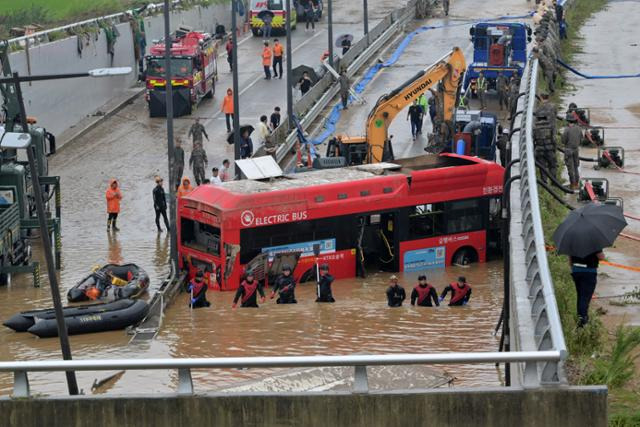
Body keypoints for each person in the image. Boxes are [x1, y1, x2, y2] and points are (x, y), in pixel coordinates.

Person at [570, 250, 605, 327]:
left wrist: (572, 268)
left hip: (576, 271)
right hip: (589, 272)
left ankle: (580, 319)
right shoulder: (594, 240)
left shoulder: (572, 239)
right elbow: (601, 257)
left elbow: (570, 259)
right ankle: (583, 322)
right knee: (585, 298)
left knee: (580, 297)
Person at [534, 93, 558, 183]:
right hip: (550, 149)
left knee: (542, 166)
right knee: (553, 165)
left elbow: (533, 140)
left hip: (540, 150)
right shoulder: (550, 127)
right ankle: (554, 181)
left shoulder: (535, 128)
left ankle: (544, 182)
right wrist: (554, 148)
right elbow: (553, 139)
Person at [562, 116, 583, 190]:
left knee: (570, 168)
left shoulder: (567, 129)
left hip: (568, 150)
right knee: (576, 167)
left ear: (568, 121)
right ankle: (577, 183)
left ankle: (572, 185)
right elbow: (581, 139)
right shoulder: (579, 129)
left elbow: (563, 141)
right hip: (576, 150)